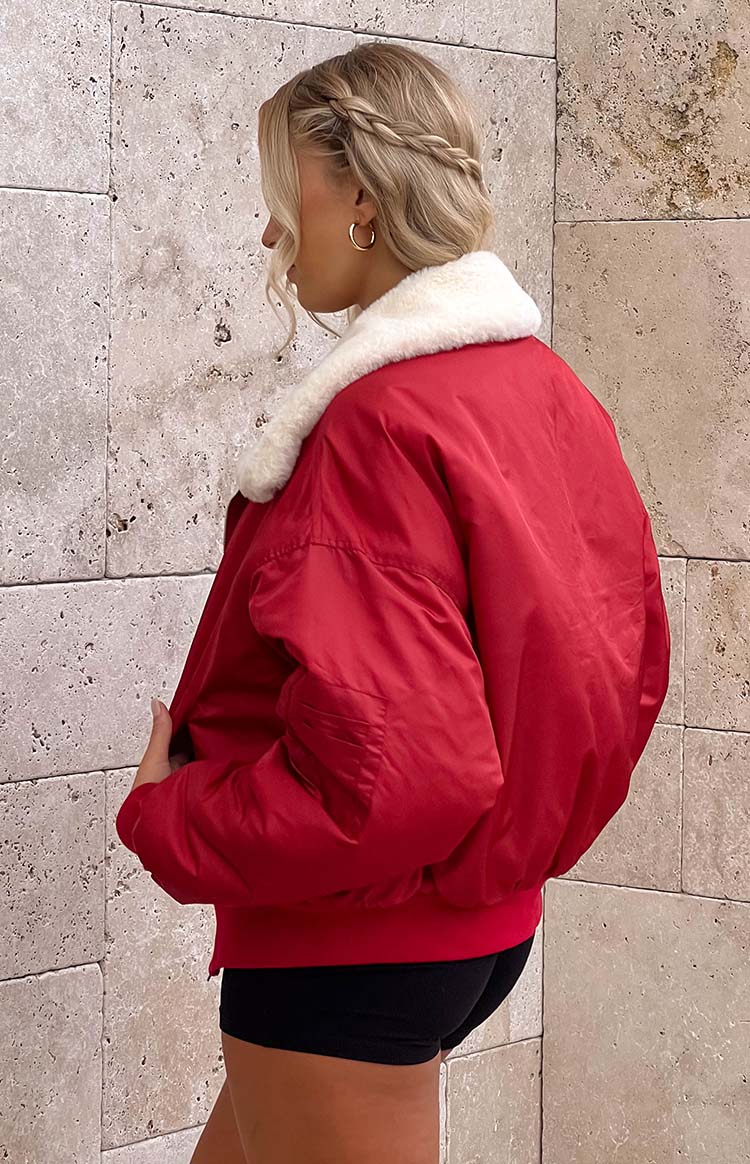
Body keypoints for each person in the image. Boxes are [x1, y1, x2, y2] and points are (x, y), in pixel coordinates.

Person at [116, 42, 671, 1164]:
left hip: (352, 953)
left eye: (287, 196)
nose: (271, 233)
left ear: (361, 199)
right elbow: (619, 661)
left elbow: (396, 776)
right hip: (468, 929)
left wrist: (171, 816)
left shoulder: (377, 423)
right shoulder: (539, 387)